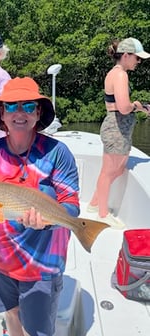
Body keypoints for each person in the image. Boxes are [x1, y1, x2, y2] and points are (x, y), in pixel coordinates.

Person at [0, 77, 80, 336]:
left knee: (39, 330)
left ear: (38, 112)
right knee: (10, 312)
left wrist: (50, 220)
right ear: (1, 113)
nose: (19, 113)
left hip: (41, 264)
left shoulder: (56, 152)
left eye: (28, 106)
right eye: (11, 107)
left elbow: (72, 206)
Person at [87, 37, 150, 228]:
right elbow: (123, 107)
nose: (138, 62)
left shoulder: (115, 74)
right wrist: (139, 106)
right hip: (116, 129)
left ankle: (94, 204)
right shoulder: (120, 75)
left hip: (117, 129)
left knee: (116, 169)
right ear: (126, 55)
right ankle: (102, 214)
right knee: (109, 172)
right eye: (136, 58)